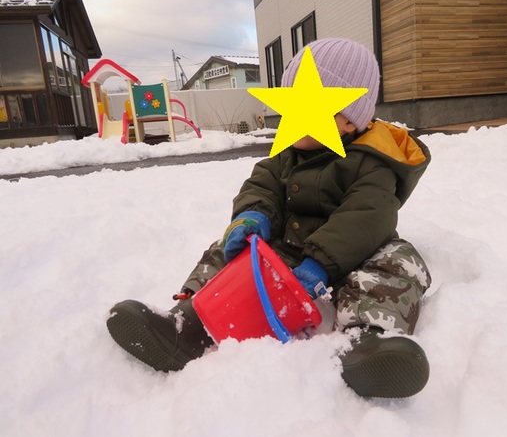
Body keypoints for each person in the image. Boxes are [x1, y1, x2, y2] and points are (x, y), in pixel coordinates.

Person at [107, 38, 432, 399]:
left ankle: (366, 343)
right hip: (284, 250)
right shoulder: (285, 155)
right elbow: (261, 186)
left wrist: (320, 262)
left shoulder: (374, 163)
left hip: (352, 255)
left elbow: (367, 214)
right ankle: (187, 324)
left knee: (401, 261)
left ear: (351, 120)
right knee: (225, 249)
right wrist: (252, 217)